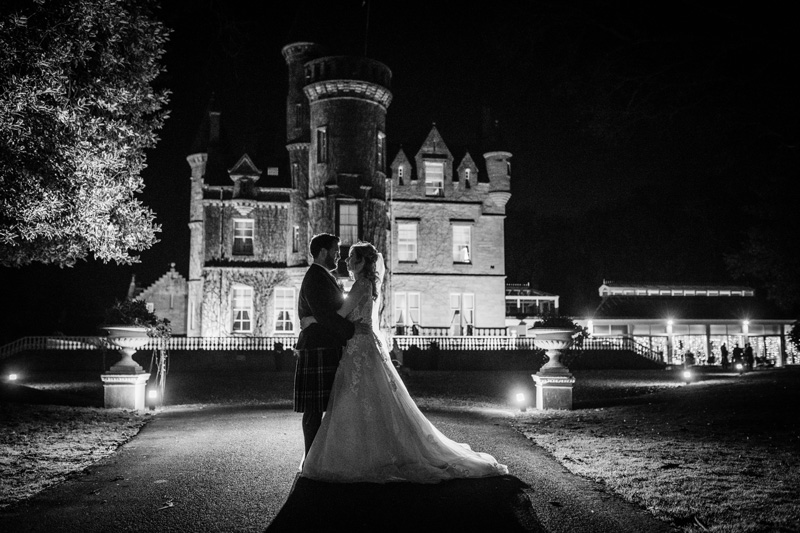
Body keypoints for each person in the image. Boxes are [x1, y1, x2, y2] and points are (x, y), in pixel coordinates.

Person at [301, 242, 508, 483]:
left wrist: (310, 319)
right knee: (370, 400)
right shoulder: (366, 285)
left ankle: (359, 454)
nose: (345, 261)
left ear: (361, 262)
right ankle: (371, 450)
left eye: (350, 257)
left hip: (359, 349)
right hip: (361, 347)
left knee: (357, 399)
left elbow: (338, 316)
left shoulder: (361, 285)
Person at [294, 233, 356, 458]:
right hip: (317, 347)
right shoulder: (316, 277)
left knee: (320, 407)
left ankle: (317, 456)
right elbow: (327, 315)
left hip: (323, 347)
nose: (338, 256)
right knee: (313, 409)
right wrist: (352, 331)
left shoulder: (323, 277)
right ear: (322, 252)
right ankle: (311, 458)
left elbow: (330, 312)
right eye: (335, 251)